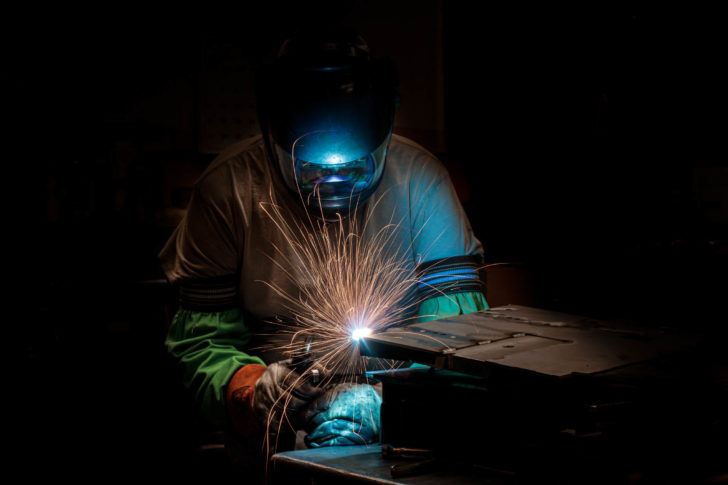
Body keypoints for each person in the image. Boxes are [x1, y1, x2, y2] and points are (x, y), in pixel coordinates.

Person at [159, 27, 488, 469]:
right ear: (273, 133)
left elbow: (459, 341)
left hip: (408, 439)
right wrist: (255, 389)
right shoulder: (228, 191)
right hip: (267, 441)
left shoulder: (422, 183)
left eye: (354, 166)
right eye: (311, 168)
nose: (332, 182)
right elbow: (200, 345)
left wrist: (390, 400)